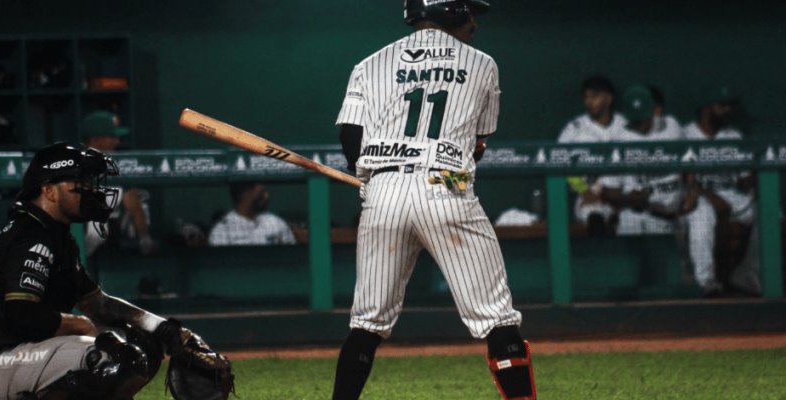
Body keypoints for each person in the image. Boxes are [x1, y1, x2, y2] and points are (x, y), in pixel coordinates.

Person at [332, 1, 534, 399]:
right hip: (447, 185)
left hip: (383, 193)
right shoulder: (482, 63)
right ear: (451, 11)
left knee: (366, 324)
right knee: (497, 319)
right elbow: (478, 143)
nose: (474, 22)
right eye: (469, 13)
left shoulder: (368, 64)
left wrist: (370, 177)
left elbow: (351, 142)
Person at [0, 142, 231, 399]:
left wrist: (164, 330)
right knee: (116, 357)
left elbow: (99, 304)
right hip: (1, 362)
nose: (89, 190)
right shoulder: (31, 234)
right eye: (78, 183)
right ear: (48, 190)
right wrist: (79, 325)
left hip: (30, 356)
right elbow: (20, 315)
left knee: (143, 343)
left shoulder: (55, 236)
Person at [681, 87, 760, 297]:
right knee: (700, 215)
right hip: (701, 197)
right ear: (707, 109)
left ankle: (747, 274)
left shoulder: (733, 135)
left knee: (770, 214)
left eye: (728, 106)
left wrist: (750, 168)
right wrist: (711, 196)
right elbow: (685, 181)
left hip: (734, 197)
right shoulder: (686, 134)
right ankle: (705, 281)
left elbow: (745, 182)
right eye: (722, 106)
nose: (727, 110)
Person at [599, 85, 688, 235]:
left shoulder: (671, 126)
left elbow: (689, 158)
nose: (639, 124)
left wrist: (692, 188)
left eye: (643, 118)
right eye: (635, 120)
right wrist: (629, 198)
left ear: (654, 110)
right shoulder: (620, 139)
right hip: (637, 219)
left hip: (674, 219)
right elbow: (607, 192)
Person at [80, 110, 157, 256]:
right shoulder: (74, 162)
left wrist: (144, 239)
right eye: (112, 137)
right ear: (96, 139)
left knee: (139, 198)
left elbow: (131, 199)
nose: (117, 141)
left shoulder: (116, 163)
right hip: (77, 228)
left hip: (109, 229)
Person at [557, 75, 627, 235]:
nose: (589, 102)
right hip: (590, 193)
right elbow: (559, 162)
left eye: (594, 96)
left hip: (623, 195)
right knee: (595, 220)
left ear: (608, 99)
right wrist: (583, 190)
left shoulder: (624, 125)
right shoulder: (575, 128)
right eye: (586, 97)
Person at [207, 181, 296, 246]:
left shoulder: (275, 222)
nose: (266, 196)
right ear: (245, 194)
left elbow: (292, 252)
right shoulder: (222, 230)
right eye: (261, 192)